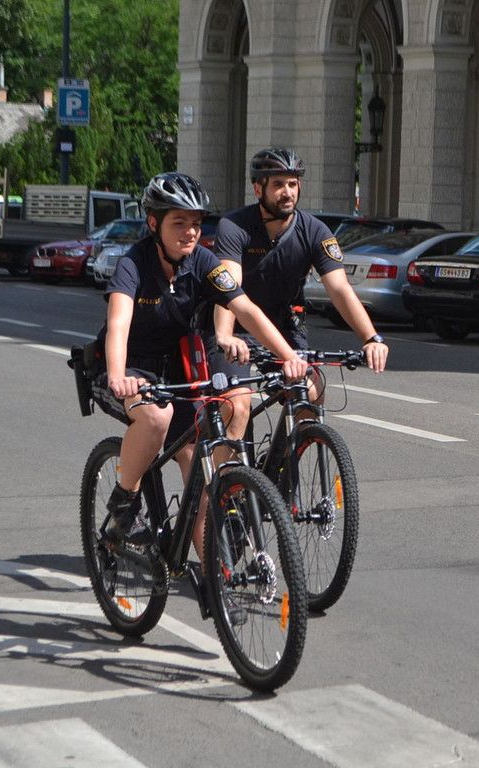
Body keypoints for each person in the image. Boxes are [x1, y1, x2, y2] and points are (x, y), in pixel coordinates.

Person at [91, 171, 308, 563]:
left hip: (179, 375)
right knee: (155, 418)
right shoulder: (133, 264)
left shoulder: (203, 262)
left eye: (195, 222)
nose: (190, 231)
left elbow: (245, 309)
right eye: (179, 222)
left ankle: (217, 580)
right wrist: (119, 375)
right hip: (132, 370)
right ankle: (124, 500)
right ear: (154, 223)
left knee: (201, 483)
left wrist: (288, 356)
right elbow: (118, 323)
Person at [206, 147, 389, 441]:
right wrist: (225, 336)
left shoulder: (315, 231)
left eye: (293, 184)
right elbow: (229, 289)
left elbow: (340, 288)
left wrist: (371, 338)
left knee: (310, 390)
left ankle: (287, 460)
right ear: (258, 189)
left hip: (285, 324)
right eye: (278, 184)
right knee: (236, 406)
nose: (287, 192)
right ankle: (230, 470)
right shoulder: (234, 226)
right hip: (236, 328)